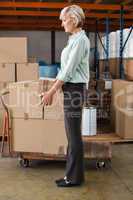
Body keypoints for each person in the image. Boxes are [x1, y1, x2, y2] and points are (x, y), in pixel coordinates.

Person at [42, 4, 90, 187]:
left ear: (74, 19)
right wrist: (53, 87)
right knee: (71, 135)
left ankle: (74, 178)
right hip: (71, 89)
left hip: (75, 89)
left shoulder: (81, 41)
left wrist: (51, 91)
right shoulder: (74, 39)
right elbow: (64, 69)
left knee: (74, 135)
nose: (62, 24)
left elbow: (68, 70)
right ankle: (71, 175)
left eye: (63, 20)